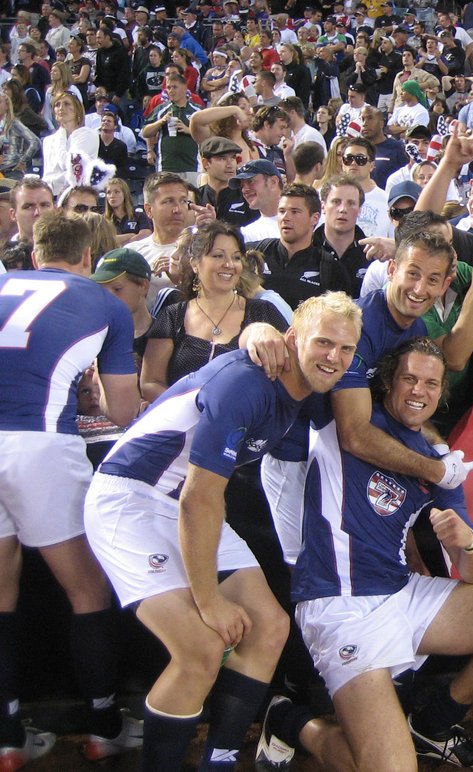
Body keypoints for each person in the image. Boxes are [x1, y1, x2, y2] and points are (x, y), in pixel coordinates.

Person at [84, 293, 363, 772]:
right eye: (323, 342)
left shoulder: (299, 388)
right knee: (201, 648)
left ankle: (220, 759)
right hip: (130, 499)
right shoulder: (247, 384)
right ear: (293, 338)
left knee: (270, 628)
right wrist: (208, 599)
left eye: (345, 349)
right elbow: (199, 499)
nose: (334, 357)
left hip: (180, 501)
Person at [256, 339, 473, 770]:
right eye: (409, 379)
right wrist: (258, 338)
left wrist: (468, 542)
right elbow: (302, 358)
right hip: (340, 603)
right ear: (387, 383)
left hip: (403, 592)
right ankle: (291, 721)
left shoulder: (438, 459)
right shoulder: (343, 419)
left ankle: (433, 722)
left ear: (442, 393)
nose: (419, 391)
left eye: (431, 383)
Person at [0, 211, 141, 767]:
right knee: (87, 591)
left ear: (34, 254)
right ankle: (103, 726)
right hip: (40, 446)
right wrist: (87, 400)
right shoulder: (103, 301)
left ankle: (8, 736)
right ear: (88, 258)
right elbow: (124, 410)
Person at [140, 222, 288, 402]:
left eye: (235, 257)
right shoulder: (172, 316)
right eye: (218, 256)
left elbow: (289, 374)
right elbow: (150, 382)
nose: (229, 264)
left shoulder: (264, 312)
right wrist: (192, 407)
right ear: (195, 264)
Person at [248, 184, 355, 309]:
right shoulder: (255, 253)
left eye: (295, 212)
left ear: (314, 218)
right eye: (282, 211)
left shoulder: (330, 269)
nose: (285, 218)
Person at [129, 172, 192, 308]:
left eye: (183, 201)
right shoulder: (133, 253)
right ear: (148, 210)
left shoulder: (202, 250)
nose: (178, 209)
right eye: (168, 201)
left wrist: (180, 280)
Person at [41, 92, 100, 197]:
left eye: (67, 104)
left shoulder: (88, 135)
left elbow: (69, 165)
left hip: (76, 196)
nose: (61, 108)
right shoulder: (48, 141)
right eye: (57, 105)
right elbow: (47, 174)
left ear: (77, 110)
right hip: (49, 197)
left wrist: (53, 182)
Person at [102, 177, 151, 246]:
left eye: (116, 192)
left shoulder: (139, 216)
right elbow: (105, 240)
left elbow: (146, 234)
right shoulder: (102, 220)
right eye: (108, 192)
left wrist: (126, 244)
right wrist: (130, 235)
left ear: (125, 194)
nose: (112, 196)